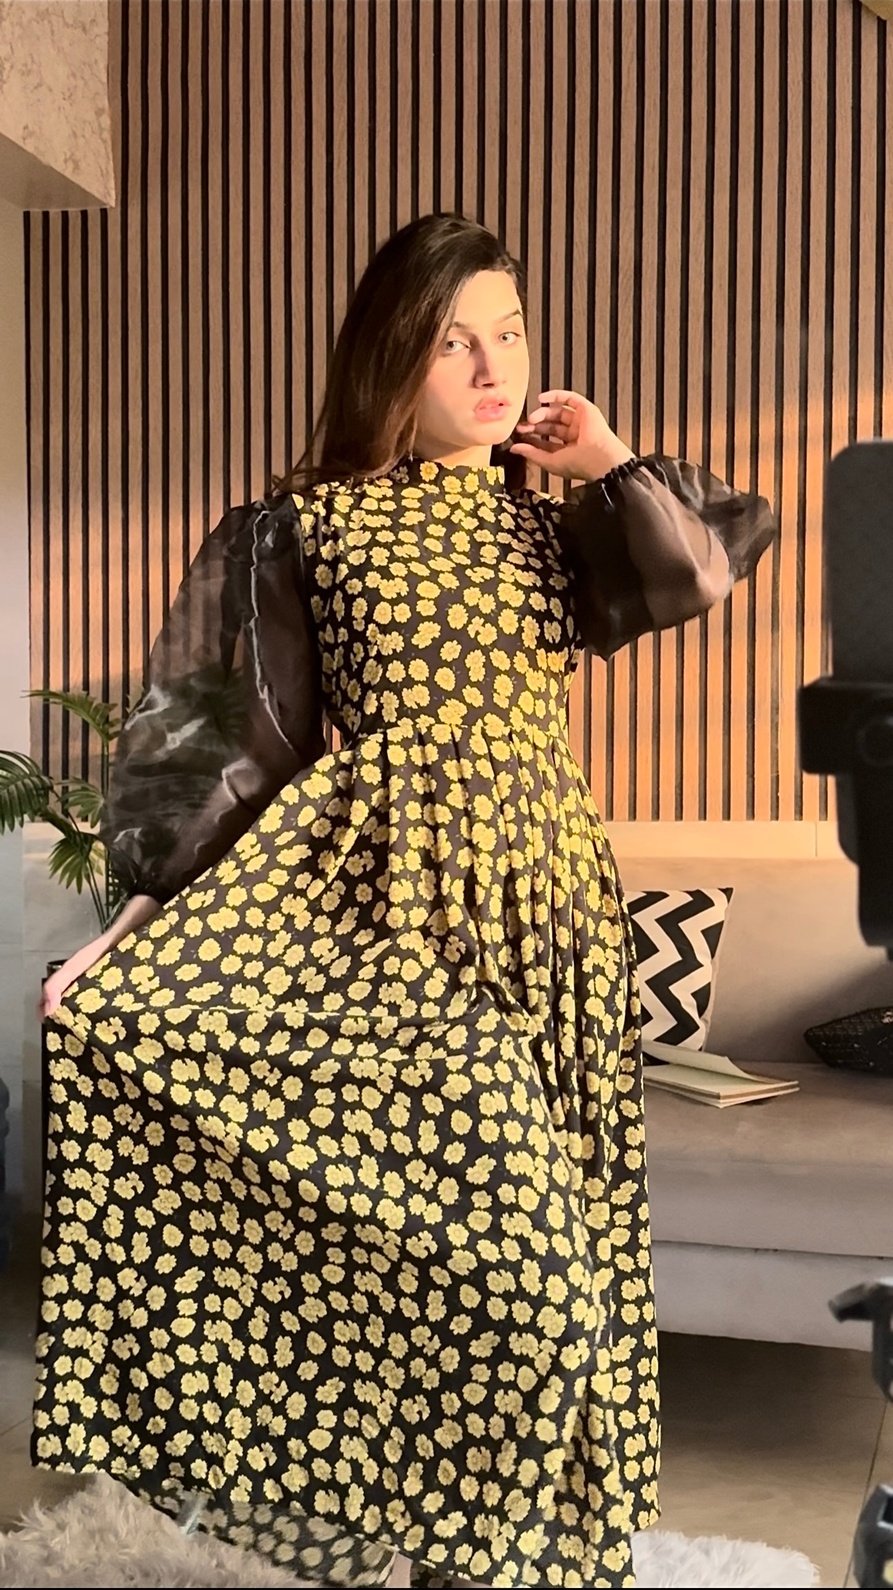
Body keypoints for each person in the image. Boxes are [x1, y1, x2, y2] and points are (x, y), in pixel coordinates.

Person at [34, 214, 776, 1589]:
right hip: (390, 920)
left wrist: (605, 456)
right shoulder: (304, 526)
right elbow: (224, 741)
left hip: (549, 918)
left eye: (510, 335)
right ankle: (427, 1525)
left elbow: (699, 570)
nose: (493, 370)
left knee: (562, 1254)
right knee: (521, 1273)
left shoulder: (554, 526)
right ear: (390, 357)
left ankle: (490, 1554)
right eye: (452, 342)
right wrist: (140, 926)